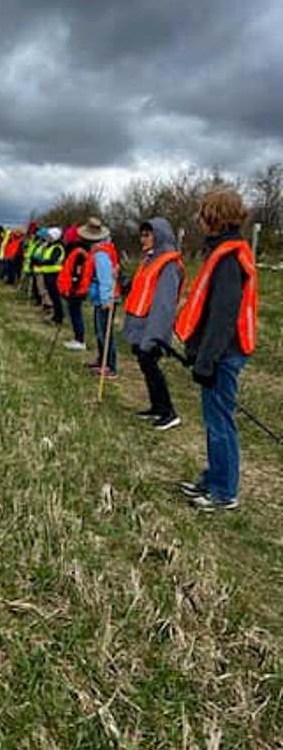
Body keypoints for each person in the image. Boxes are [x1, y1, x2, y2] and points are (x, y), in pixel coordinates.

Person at [174, 189, 257, 512]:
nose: (199, 220)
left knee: (220, 423)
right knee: (214, 420)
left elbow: (223, 317)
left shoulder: (228, 258)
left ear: (214, 218)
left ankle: (224, 491)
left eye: (203, 214)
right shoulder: (222, 251)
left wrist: (207, 360)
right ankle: (213, 478)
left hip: (225, 353)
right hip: (219, 351)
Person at [123, 218, 184, 430]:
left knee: (151, 365)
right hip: (141, 325)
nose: (143, 239)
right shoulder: (149, 260)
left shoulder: (168, 265)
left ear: (159, 235)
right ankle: (157, 407)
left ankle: (168, 412)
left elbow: (164, 304)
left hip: (152, 328)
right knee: (146, 366)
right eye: (142, 234)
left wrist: (153, 336)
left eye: (147, 234)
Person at [78, 217, 120, 379]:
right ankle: (102, 360)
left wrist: (105, 300)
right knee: (99, 331)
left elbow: (105, 279)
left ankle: (110, 366)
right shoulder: (99, 251)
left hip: (106, 300)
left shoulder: (101, 254)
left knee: (105, 333)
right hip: (101, 298)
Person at [57, 223, 88, 350]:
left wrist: (74, 286)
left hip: (76, 289)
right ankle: (77, 337)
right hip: (73, 288)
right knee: (73, 312)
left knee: (76, 313)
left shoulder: (79, 252)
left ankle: (80, 340)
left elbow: (78, 271)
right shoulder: (74, 250)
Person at [32, 227, 65, 325]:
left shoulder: (57, 247)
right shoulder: (49, 246)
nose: (48, 238)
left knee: (55, 297)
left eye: (50, 236)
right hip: (47, 273)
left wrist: (40, 262)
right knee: (51, 295)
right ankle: (55, 315)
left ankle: (58, 317)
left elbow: (52, 260)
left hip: (54, 274)